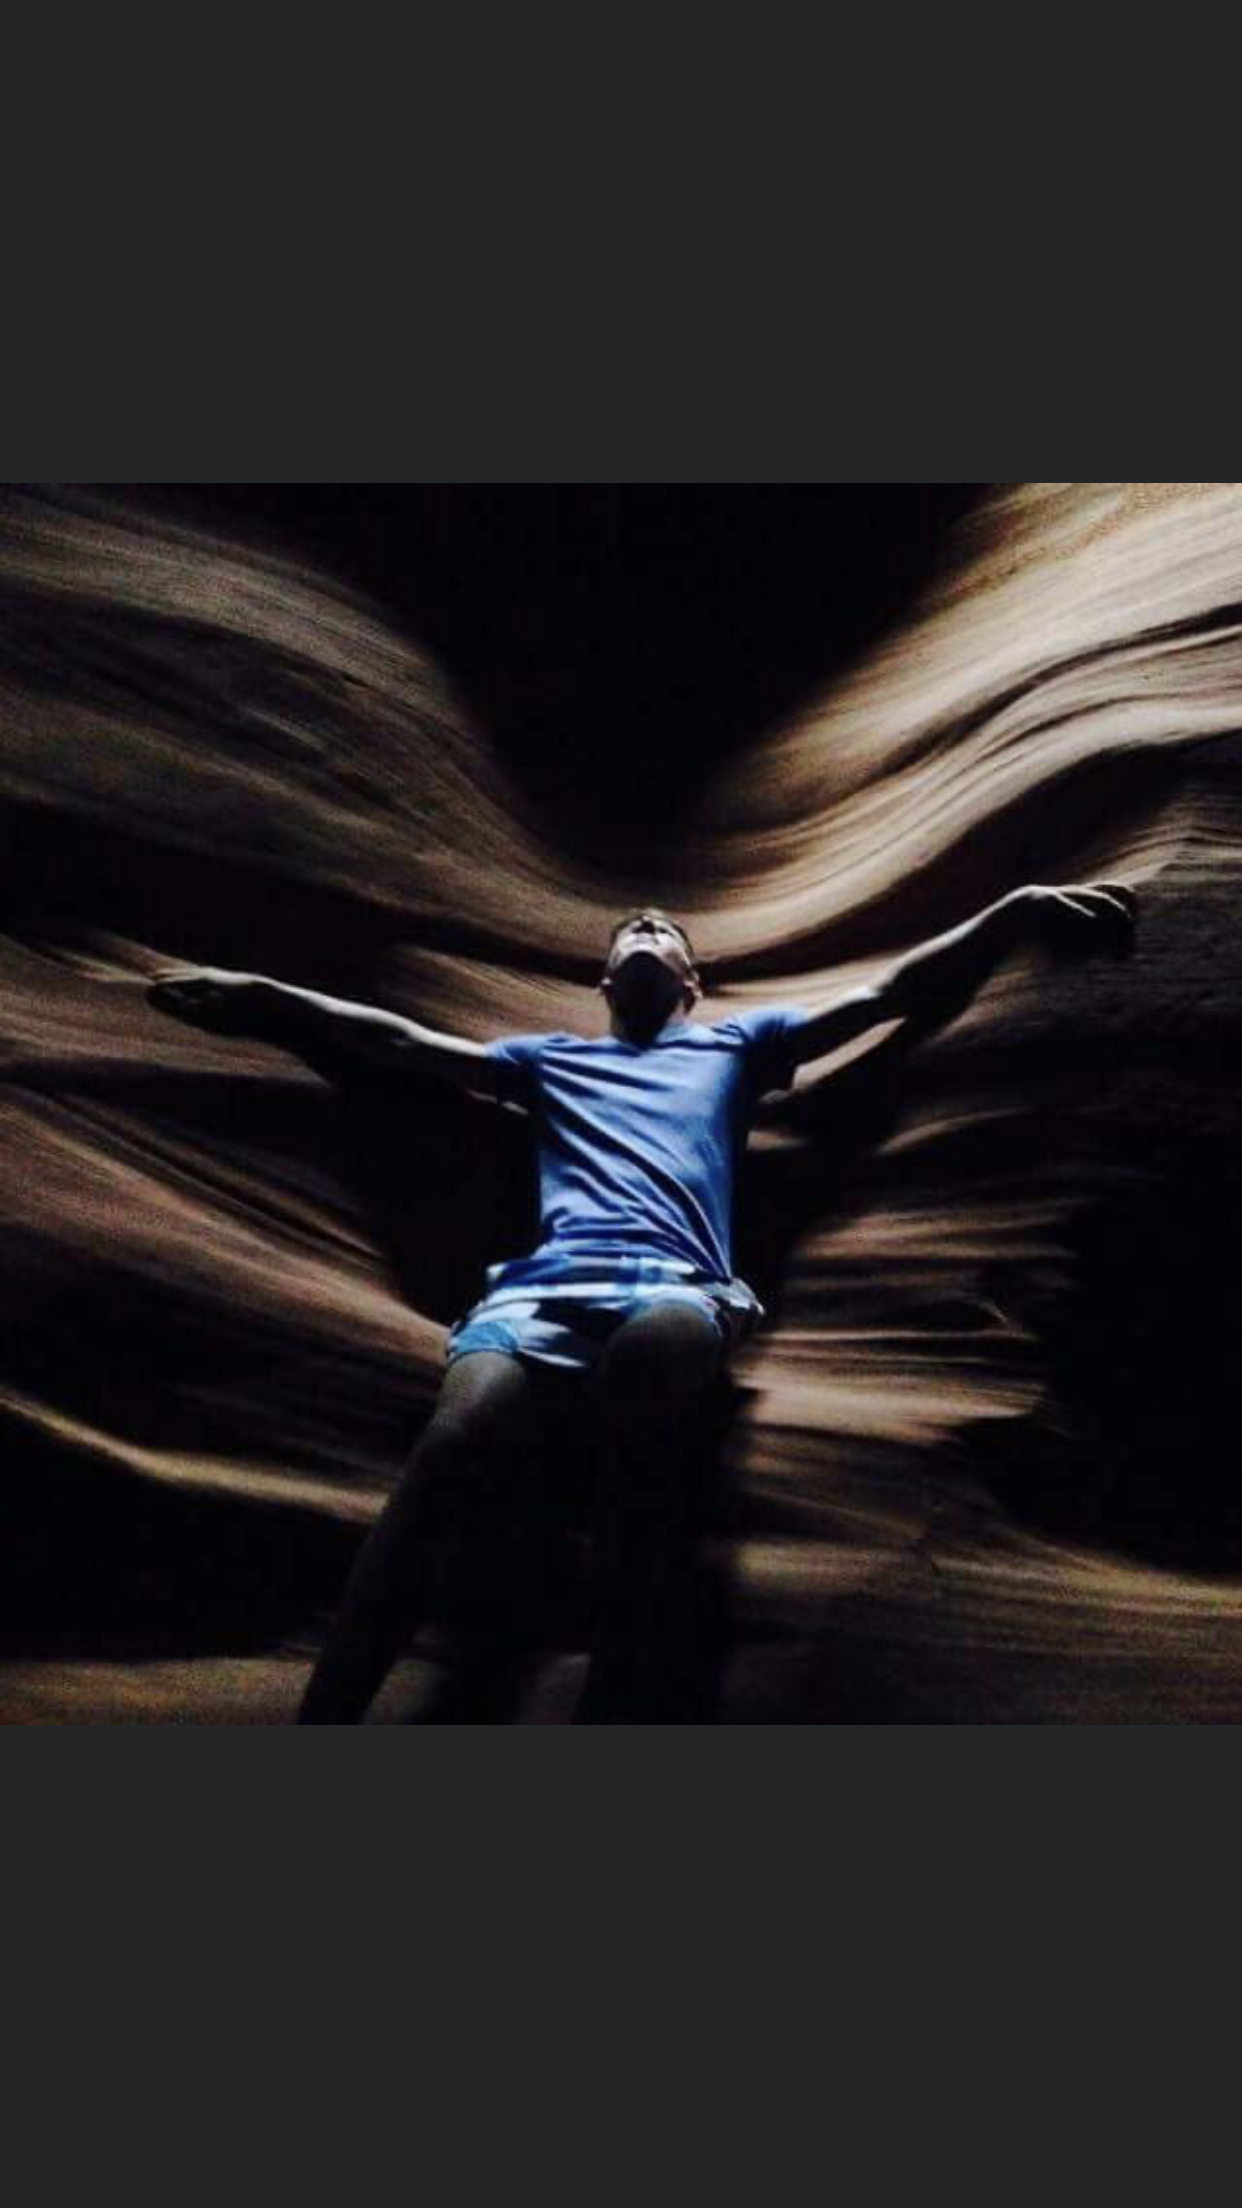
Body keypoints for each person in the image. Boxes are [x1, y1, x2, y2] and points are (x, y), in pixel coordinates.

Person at [149, 882, 1135, 1720]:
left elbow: (891, 996)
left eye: (663, 930)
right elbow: (402, 1044)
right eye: (631, 931)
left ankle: (618, 1696)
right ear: (604, 979)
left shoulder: (740, 1045)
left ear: (692, 983)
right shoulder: (547, 1061)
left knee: (644, 1380)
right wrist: (267, 1000)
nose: (646, 931)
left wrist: (1013, 912)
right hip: (541, 1291)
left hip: (676, 1284)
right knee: (453, 1443)